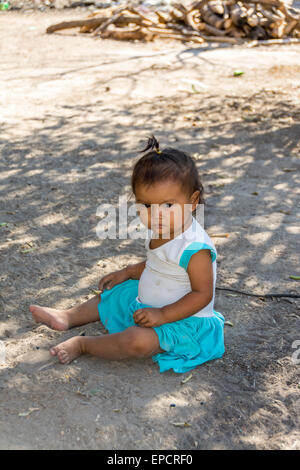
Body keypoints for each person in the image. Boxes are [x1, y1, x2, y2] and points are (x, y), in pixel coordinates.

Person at [30, 136, 225, 373]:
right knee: (118, 294)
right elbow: (157, 264)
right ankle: (68, 317)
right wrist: (127, 272)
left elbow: (202, 294)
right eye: (146, 206)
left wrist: (162, 315)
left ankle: (84, 344)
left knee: (136, 341)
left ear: (192, 201)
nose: (156, 215)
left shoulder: (195, 248)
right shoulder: (163, 229)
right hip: (150, 306)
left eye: (168, 205)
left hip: (184, 321)